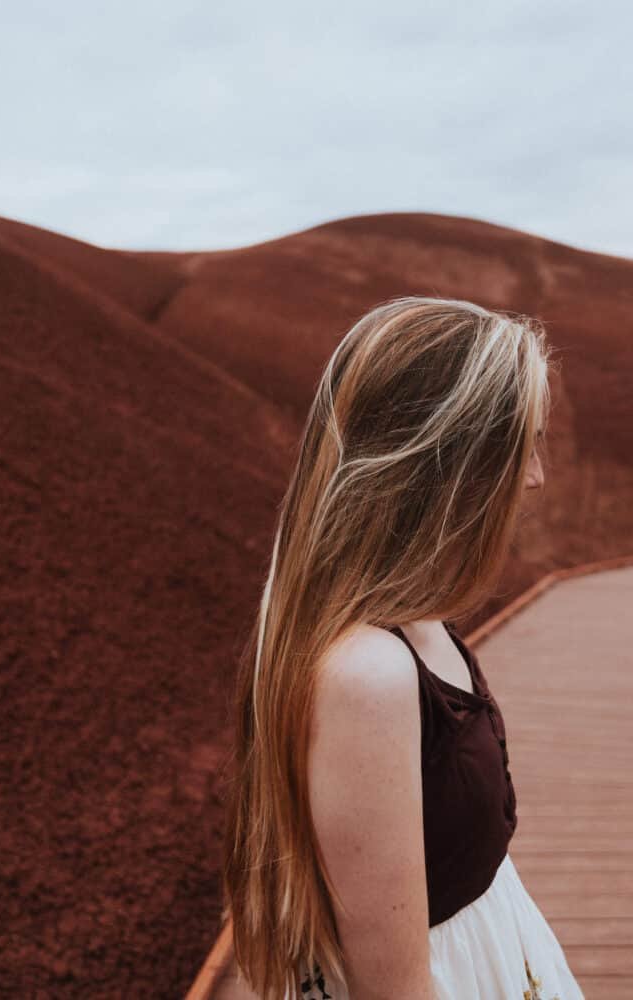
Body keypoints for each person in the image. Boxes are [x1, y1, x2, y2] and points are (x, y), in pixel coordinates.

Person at [220, 296, 584, 999]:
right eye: (524, 447)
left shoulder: (413, 620)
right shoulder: (369, 675)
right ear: (453, 467)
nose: (535, 477)